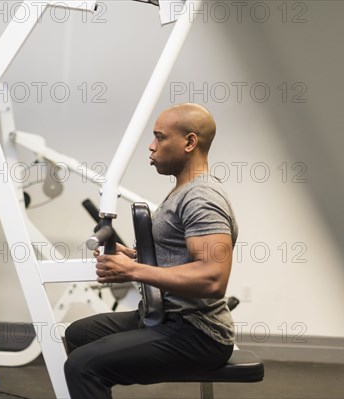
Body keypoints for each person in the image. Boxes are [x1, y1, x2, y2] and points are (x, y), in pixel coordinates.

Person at [64, 103, 238, 398]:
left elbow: (213, 279)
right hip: (162, 315)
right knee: (78, 335)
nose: (151, 146)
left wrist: (132, 270)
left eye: (160, 137)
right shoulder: (183, 190)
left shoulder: (202, 198)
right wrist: (132, 257)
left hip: (198, 333)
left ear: (190, 142)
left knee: (83, 366)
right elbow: (177, 256)